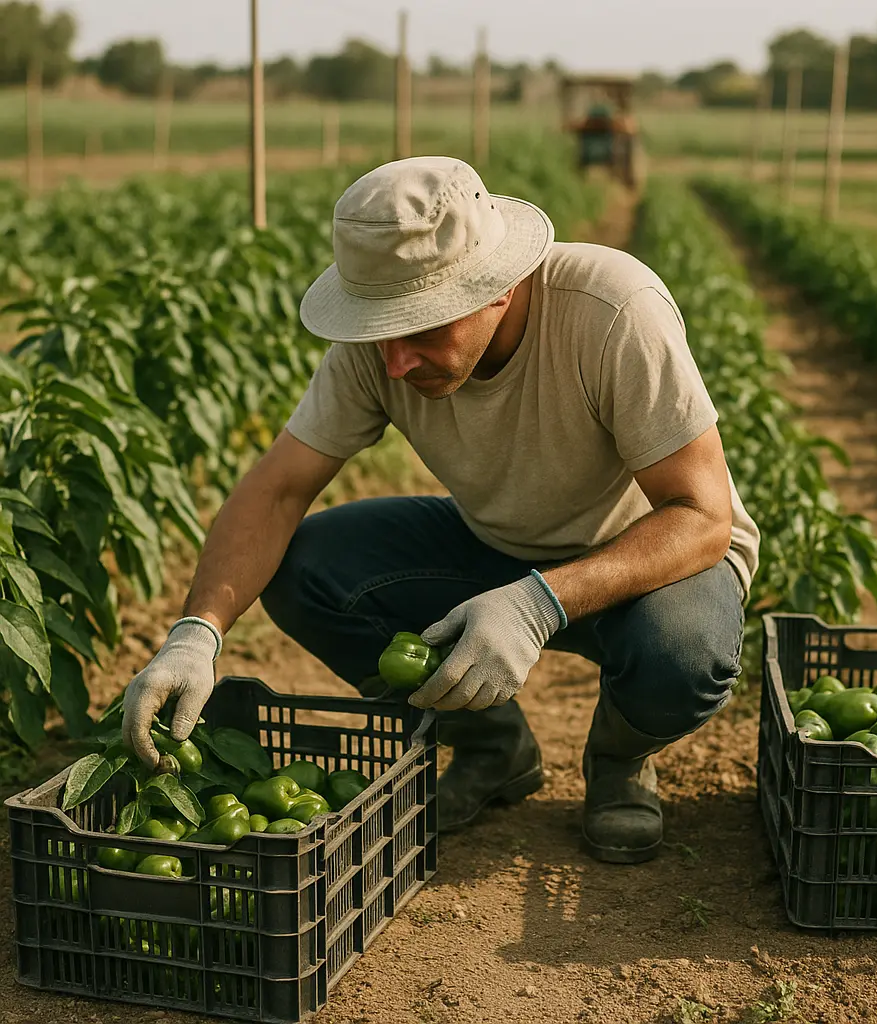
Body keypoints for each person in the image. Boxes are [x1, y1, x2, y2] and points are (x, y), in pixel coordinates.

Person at [121, 156, 760, 864]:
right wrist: (195, 632)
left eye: (420, 328)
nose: (395, 361)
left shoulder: (612, 311)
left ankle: (620, 759)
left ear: (496, 290)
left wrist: (537, 603)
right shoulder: (378, 352)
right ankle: (493, 746)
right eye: (380, 329)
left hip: (649, 558)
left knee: (683, 653)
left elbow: (702, 517)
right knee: (309, 569)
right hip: (494, 542)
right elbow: (276, 489)